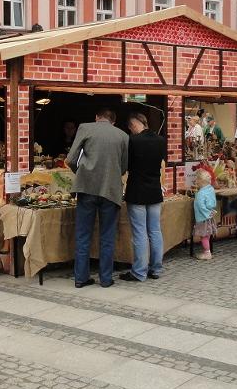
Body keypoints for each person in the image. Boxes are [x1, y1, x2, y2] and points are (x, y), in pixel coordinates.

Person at [66, 108, 129, 288]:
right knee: (107, 236)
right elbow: (124, 166)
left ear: (96, 117)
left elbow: (71, 158)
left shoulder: (85, 128)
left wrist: (81, 172)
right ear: (113, 121)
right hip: (111, 190)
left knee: (83, 234)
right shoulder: (123, 136)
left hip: (87, 188)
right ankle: (106, 279)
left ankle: (81, 278)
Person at [121, 112, 167, 282]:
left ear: (133, 125)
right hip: (155, 190)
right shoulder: (160, 140)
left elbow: (125, 165)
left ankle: (139, 272)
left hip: (137, 190)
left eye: (130, 128)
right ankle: (156, 269)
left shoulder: (132, 140)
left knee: (139, 232)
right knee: (155, 230)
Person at [192, 169, 217, 261]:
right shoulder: (211, 189)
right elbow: (213, 202)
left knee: (204, 236)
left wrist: (206, 214)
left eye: (196, 179)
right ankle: (208, 251)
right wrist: (210, 213)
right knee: (208, 235)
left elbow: (201, 206)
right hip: (210, 215)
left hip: (203, 218)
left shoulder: (200, 194)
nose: (195, 181)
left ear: (200, 181)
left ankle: (207, 252)